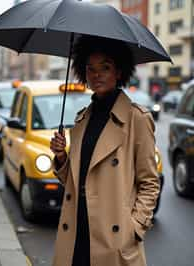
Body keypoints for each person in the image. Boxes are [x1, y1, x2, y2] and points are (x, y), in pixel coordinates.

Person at [50, 36, 160, 266]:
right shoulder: (82, 119)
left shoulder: (136, 119)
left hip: (113, 237)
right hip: (77, 228)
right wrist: (61, 157)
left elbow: (150, 182)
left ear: (119, 72)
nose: (96, 74)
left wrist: (135, 228)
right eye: (90, 68)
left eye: (105, 67)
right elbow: (76, 180)